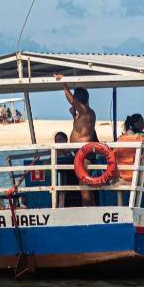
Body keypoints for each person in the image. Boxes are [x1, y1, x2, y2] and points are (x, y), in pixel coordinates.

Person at [55, 77, 98, 205]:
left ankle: (88, 209)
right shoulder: (86, 114)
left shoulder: (85, 111)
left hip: (83, 153)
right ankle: (91, 207)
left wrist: (63, 84)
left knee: (84, 186)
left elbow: (71, 100)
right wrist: (74, 116)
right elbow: (84, 131)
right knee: (85, 185)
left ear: (79, 100)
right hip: (81, 152)